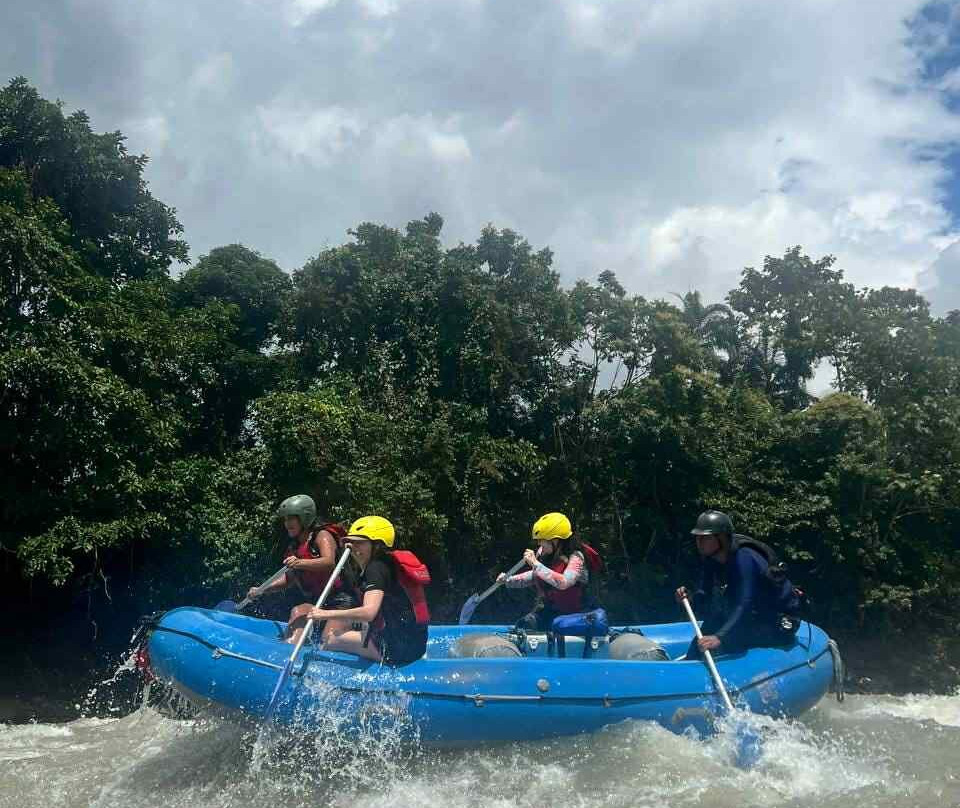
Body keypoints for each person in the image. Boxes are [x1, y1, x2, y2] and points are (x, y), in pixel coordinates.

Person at [675, 510, 801, 659]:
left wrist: (720, 637)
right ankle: (689, 665)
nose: (699, 543)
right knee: (708, 629)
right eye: (697, 538)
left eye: (705, 538)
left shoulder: (745, 558)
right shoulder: (712, 559)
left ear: (721, 538)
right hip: (752, 617)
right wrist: (688, 599)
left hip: (776, 622)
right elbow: (704, 595)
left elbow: (744, 603)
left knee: (731, 639)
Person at [309, 515, 429, 665]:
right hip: (416, 646)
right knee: (360, 629)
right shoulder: (389, 563)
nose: (354, 549)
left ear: (377, 545)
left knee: (329, 640)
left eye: (360, 543)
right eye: (352, 543)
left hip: (396, 650)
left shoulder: (375, 568)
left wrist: (324, 614)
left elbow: (369, 612)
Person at [246, 494, 357, 643]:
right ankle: (286, 652)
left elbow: (328, 562)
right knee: (297, 612)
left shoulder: (322, 535)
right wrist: (262, 589)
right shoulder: (295, 547)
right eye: (285, 519)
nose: (287, 523)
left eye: (291, 518)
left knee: (328, 639)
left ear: (305, 518)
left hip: (341, 602)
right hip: (317, 602)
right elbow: (288, 579)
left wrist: (299, 563)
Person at [497, 512, 602, 632]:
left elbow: (564, 582)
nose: (539, 544)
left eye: (542, 540)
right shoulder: (544, 554)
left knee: (559, 625)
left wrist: (535, 564)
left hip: (577, 616)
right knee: (525, 625)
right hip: (552, 612)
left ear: (556, 540)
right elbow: (535, 575)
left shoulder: (577, 557)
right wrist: (508, 579)